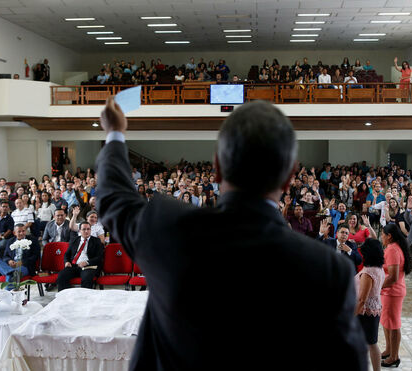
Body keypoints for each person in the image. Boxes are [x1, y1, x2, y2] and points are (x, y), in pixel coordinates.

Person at [96, 98, 367, 369]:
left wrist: (115, 133)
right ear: (289, 176)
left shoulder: (168, 228)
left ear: (217, 167)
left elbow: (114, 198)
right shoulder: (330, 271)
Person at [379, 223, 411, 368]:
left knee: (393, 324)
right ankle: (388, 350)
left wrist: (377, 286)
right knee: (386, 322)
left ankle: (394, 356)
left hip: (392, 292)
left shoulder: (392, 250)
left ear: (389, 236)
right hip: (389, 291)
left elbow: (392, 277)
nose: (381, 237)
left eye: (382, 234)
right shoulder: (394, 247)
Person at [355, 239, 385, 371]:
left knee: (367, 344)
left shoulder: (368, 273)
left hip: (365, 312)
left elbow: (362, 299)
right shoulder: (379, 268)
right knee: (372, 343)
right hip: (374, 309)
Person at [56, 221, 104, 291]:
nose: (86, 231)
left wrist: (87, 262)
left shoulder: (96, 241)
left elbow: (99, 257)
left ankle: (84, 300)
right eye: (84, 229)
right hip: (74, 265)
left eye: (88, 229)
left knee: (86, 278)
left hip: (88, 267)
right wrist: (66, 262)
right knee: (61, 276)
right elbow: (67, 254)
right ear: (80, 231)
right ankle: (65, 298)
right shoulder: (74, 240)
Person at [0, 224, 40, 289]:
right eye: (19, 231)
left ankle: (7, 295)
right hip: (11, 265)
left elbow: (36, 256)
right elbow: (5, 256)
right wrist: (9, 261)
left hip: (24, 266)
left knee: (12, 276)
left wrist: (22, 262)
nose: (22, 233)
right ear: (14, 233)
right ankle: (10, 271)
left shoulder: (32, 241)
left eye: (23, 231)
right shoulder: (10, 241)